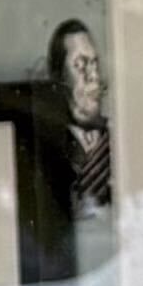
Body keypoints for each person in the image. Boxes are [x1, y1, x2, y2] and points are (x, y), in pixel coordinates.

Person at [46, 19, 114, 210]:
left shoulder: (120, 138)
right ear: (59, 77)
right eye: (80, 65)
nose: (93, 76)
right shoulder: (50, 145)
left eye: (94, 63)